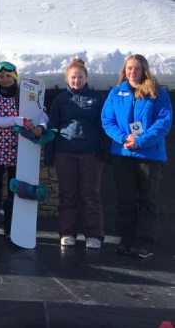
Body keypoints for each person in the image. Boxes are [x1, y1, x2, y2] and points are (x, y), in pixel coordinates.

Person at [101, 54, 172, 258]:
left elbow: (163, 122)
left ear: (144, 70)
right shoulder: (116, 93)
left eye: (137, 68)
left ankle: (145, 243)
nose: (133, 72)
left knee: (148, 200)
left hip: (149, 155)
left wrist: (140, 141)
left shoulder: (157, 93)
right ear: (124, 70)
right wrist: (124, 138)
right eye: (129, 68)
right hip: (123, 153)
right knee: (126, 200)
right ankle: (127, 240)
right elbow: (107, 120)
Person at [0, 61, 48, 240]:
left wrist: (41, 126)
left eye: (8, 76)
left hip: (19, 150)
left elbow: (42, 114)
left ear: (15, 77)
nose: (4, 80)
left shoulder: (25, 96)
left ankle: (12, 227)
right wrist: (19, 120)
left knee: (15, 191)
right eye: (1, 77)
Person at [45, 58, 106, 249]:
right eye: (73, 77)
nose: (76, 81)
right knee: (67, 194)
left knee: (90, 194)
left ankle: (94, 234)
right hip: (65, 152)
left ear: (86, 78)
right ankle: (67, 232)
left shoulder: (97, 99)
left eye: (80, 77)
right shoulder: (60, 100)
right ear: (67, 79)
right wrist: (49, 154)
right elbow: (52, 127)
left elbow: (105, 126)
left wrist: (106, 153)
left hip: (91, 153)